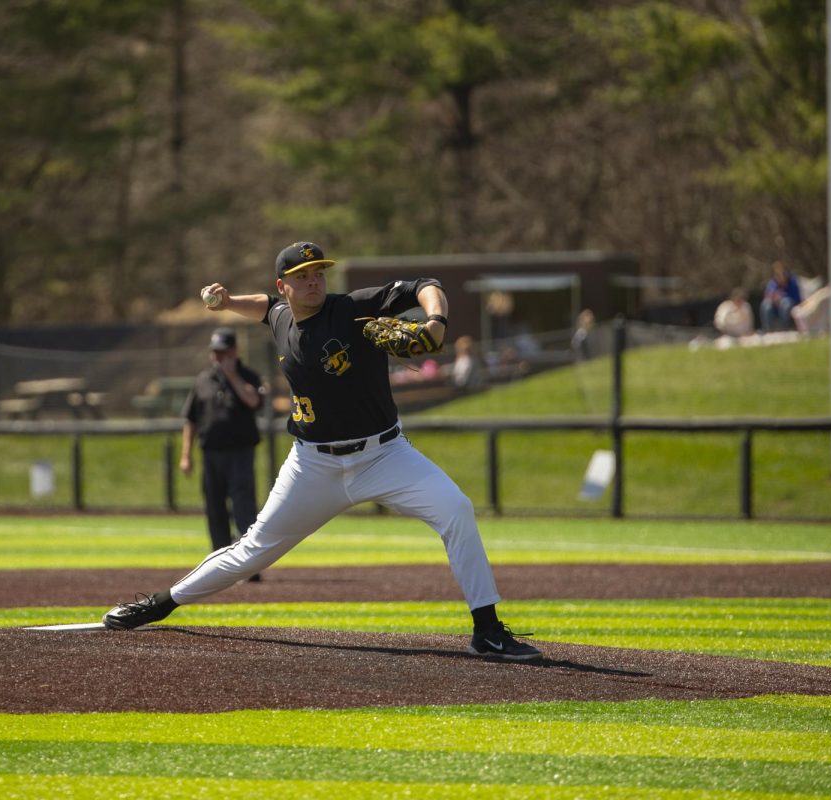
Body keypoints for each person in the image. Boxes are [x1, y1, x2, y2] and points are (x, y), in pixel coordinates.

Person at [104, 241, 542, 661]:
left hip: (385, 455)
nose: (314, 281)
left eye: (318, 273)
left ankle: (487, 630)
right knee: (253, 549)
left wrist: (435, 323)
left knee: (457, 510)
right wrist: (228, 299)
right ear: (284, 286)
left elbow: (424, 285)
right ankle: (160, 604)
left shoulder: (352, 309)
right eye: (302, 276)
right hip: (312, 464)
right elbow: (263, 307)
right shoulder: (280, 318)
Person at [180, 327, 266, 575]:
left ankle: (249, 566)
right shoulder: (203, 379)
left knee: (243, 508)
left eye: (224, 352)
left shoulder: (247, 375)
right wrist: (185, 455)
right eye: (215, 353)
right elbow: (191, 419)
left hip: (240, 452)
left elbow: (253, 401)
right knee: (214, 508)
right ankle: (219, 565)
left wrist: (233, 377)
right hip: (211, 454)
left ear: (234, 351)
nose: (219, 358)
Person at [759, 261, 802, 331]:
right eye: (777, 275)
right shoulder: (772, 283)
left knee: (786, 303)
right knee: (766, 304)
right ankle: (768, 330)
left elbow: (796, 298)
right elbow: (767, 296)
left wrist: (782, 296)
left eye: (781, 274)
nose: (779, 277)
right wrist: (774, 299)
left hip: (789, 306)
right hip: (775, 307)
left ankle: (784, 329)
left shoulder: (792, 281)